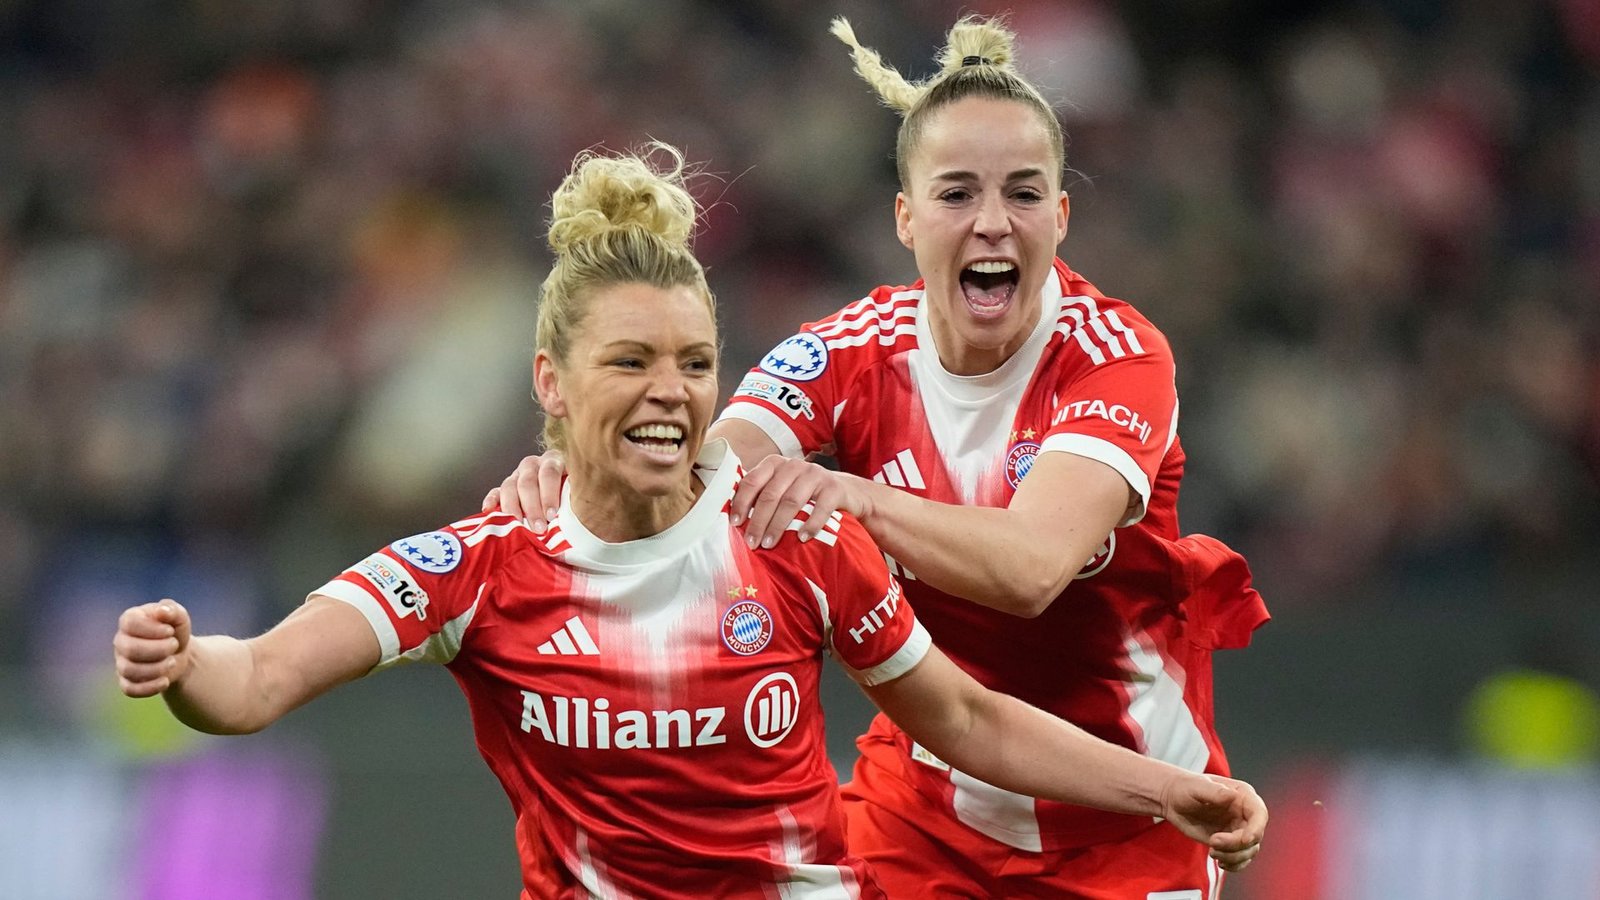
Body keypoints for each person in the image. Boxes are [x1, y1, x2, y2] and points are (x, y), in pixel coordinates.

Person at [115, 143, 1265, 900]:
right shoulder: (476, 570)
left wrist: (1169, 791)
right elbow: (255, 682)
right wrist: (182, 661)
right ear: (552, 382)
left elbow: (963, 718)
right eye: (631, 361)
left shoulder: (793, 539)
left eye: (696, 364)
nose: (670, 392)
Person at [485, 16, 1271, 900]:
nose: (992, 223)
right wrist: (575, 480)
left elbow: (1029, 570)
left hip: (1131, 821)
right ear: (906, 217)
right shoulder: (846, 351)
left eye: (1023, 194)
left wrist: (852, 497)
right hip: (921, 813)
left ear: (1061, 215)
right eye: (956, 194)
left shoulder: (1117, 357)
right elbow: (696, 472)